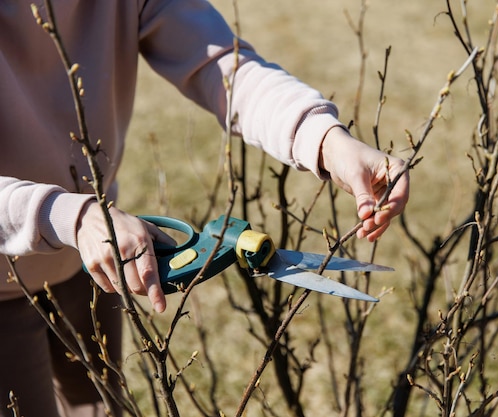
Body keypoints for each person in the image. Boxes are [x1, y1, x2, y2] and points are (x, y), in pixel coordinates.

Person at [0, 1, 410, 416]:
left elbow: (221, 65)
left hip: (95, 263)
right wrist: (71, 216)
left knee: (102, 408)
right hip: (7, 279)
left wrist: (327, 141)